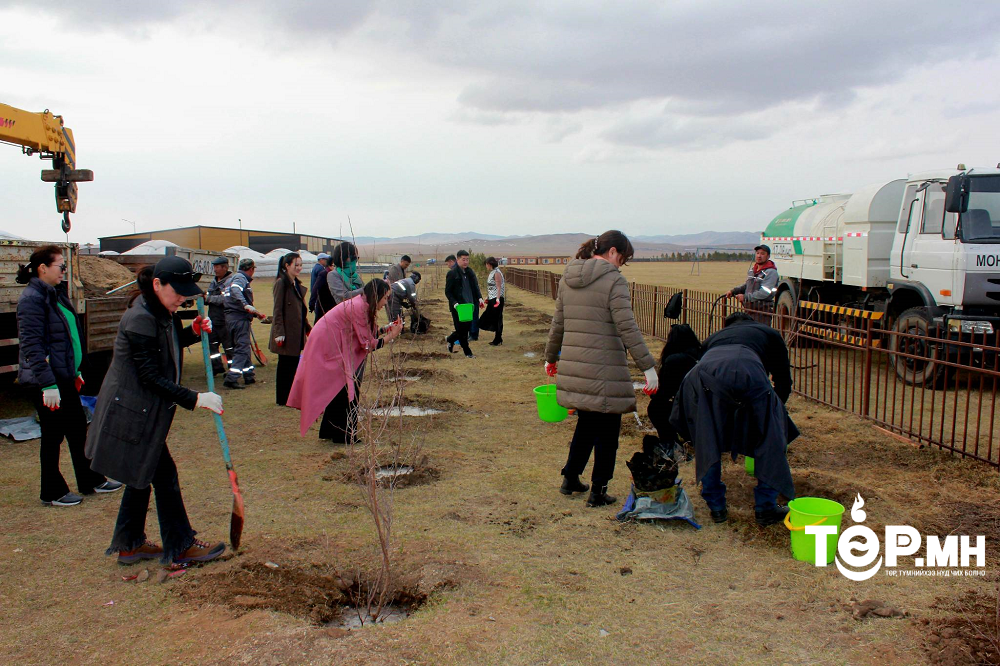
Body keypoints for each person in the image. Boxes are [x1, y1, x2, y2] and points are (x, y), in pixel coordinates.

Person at [85, 257, 227, 565]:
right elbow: (149, 376)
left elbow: (167, 344)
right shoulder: (140, 319)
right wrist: (195, 398)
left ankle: (130, 544)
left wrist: (192, 331)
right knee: (162, 474)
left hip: (141, 411)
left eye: (185, 292)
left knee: (143, 472)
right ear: (157, 285)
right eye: (177, 291)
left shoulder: (161, 311)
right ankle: (181, 544)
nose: (182, 298)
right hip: (130, 413)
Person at [545, 231, 658, 507]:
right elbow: (627, 327)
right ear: (612, 252)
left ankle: (570, 478)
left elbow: (558, 323)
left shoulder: (568, 278)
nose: (621, 264)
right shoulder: (613, 280)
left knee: (586, 424)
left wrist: (550, 357)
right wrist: (649, 367)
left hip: (577, 369)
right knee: (608, 432)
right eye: (622, 258)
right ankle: (599, 490)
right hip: (605, 372)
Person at [15, 245, 121, 507]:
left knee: (77, 429)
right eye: (61, 266)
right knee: (53, 435)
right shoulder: (32, 299)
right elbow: (32, 345)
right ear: (42, 269)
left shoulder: (55, 295)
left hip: (65, 378)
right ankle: (52, 491)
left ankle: (91, 479)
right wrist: (48, 384)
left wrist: (75, 370)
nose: (64, 271)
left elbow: (68, 337)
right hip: (48, 382)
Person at [669, 312, 797, 527]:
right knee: (769, 439)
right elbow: (783, 381)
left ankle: (716, 506)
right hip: (750, 371)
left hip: (704, 375)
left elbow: (722, 401)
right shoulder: (769, 333)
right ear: (750, 323)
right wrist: (773, 415)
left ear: (727, 325)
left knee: (707, 435)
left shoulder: (714, 337)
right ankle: (766, 507)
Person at [287, 280, 403, 442]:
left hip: (331, 341)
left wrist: (386, 328)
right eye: (385, 298)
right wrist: (392, 336)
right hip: (328, 344)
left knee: (340, 387)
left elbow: (365, 332)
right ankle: (344, 435)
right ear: (376, 297)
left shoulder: (361, 304)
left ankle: (331, 431)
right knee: (346, 386)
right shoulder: (360, 308)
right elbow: (368, 345)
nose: (386, 303)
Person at [647, 324, 702, 445]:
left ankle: (669, 441)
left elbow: (666, 391)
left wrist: (654, 395)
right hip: (704, 405)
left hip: (687, 407)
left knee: (655, 408)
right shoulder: (701, 355)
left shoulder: (674, 360)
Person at [270, 252, 311, 406]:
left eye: (301, 265)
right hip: (286, 333)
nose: (299, 268)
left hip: (296, 332)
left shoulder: (295, 284)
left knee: (292, 365)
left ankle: (290, 396)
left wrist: (307, 328)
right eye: (296, 265)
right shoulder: (281, 283)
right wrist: (279, 332)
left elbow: (300, 310)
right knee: (285, 366)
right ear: (286, 266)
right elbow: (277, 310)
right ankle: (283, 398)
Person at [223, 258, 260, 389]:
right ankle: (231, 378)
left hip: (230, 318)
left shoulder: (230, 279)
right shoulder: (240, 279)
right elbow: (236, 290)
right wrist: (245, 305)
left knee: (242, 346)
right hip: (239, 318)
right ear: (251, 269)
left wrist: (255, 313)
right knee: (242, 348)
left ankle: (249, 375)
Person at [445, 250, 483, 358]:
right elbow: (448, 291)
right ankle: (468, 353)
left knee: (464, 330)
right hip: (458, 307)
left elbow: (475, 287)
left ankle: (450, 340)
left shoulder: (470, 272)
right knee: (462, 331)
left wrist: (479, 298)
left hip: (469, 306)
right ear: (458, 260)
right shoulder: (452, 273)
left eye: (467, 259)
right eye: (463, 259)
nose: (466, 262)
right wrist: (454, 303)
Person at [726, 244, 778, 322]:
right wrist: (734, 291)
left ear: (768, 256)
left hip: (762, 312)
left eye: (762, 254)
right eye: (757, 253)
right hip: (749, 310)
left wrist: (746, 297)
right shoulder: (753, 270)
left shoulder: (771, 272)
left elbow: (764, 292)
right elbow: (747, 285)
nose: (759, 256)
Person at [205, 256, 234, 376]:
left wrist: (208, 298)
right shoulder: (213, 282)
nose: (215, 270)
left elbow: (226, 299)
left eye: (217, 267)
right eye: (214, 267)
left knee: (229, 347)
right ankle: (216, 367)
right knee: (212, 346)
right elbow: (207, 295)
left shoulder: (230, 281)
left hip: (225, 320)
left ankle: (232, 370)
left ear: (225, 267)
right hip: (213, 319)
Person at [477, 257, 505, 346]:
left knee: (497, 318)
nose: (486, 266)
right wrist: (488, 297)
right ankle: (498, 338)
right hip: (492, 298)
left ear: (490, 264)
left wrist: (497, 299)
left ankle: (498, 339)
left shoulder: (496, 273)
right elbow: (491, 288)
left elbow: (498, 287)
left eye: (486, 264)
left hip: (497, 299)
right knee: (492, 317)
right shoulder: (493, 272)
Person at [309, 252, 333, 323]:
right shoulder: (321, 270)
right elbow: (317, 287)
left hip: (319, 296)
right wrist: (312, 302)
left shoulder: (316, 268)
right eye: (325, 259)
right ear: (321, 260)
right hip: (322, 297)